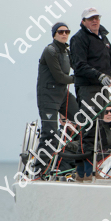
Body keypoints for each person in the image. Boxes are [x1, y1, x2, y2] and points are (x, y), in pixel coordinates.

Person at [69, 7, 111, 179]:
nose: (95, 21)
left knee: (99, 129)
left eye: (97, 18)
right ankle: (83, 173)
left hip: (102, 89)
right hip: (87, 88)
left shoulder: (104, 38)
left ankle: (92, 171)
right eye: (91, 18)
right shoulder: (78, 38)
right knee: (89, 129)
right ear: (83, 21)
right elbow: (79, 65)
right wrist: (99, 76)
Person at [35, 22, 80, 173]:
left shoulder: (66, 51)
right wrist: (78, 79)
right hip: (48, 97)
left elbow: (79, 67)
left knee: (85, 120)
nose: (64, 34)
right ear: (54, 34)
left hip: (62, 95)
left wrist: (95, 76)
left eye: (67, 31)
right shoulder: (50, 50)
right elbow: (59, 77)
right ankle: (39, 170)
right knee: (50, 134)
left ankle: (82, 165)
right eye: (60, 32)